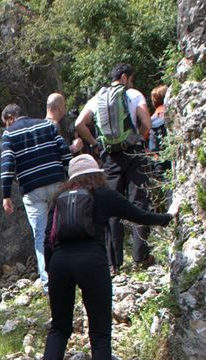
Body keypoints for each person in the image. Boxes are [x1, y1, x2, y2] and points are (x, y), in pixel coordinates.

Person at [38, 155, 172, 360]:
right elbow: (138, 215)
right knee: (99, 334)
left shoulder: (58, 201)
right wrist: (167, 217)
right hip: (92, 262)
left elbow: (47, 241)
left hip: (61, 264)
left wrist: (52, 273)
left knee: (60, 326)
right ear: (96, 174)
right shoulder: (103, 194)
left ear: (72, 178)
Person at [75, 63, 154, 273]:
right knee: (139, 201)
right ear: (125, 77)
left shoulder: (97, 99)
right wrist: (138, 137)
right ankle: (140, 258)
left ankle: (113, 264)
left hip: (110, 157)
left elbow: (79, 124)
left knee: (110, 207)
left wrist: (95, 144)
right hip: (133, 152)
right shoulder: (133, 94)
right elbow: (146, 122)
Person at [0, 103, 82, 292]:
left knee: (41, 235)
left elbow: (7, 165)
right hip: (56, 184)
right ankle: (71, 274)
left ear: (10, 118)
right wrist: (73, 177)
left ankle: (49, 283)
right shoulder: (47, 125)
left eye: (6, 123)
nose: (7, 127)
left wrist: (6, 195)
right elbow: (64, 152)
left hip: (32, 189)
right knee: (63, 229)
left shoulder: (10, 134)